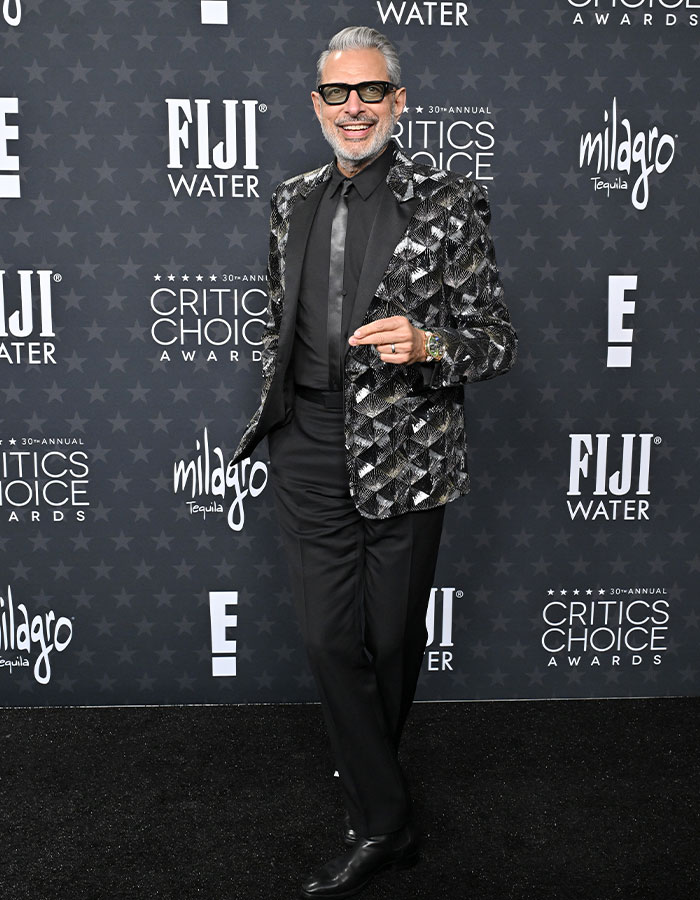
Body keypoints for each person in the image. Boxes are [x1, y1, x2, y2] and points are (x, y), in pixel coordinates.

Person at [232, 25, 517, 899]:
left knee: (391, 641)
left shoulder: (451, 200)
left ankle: (371, 793)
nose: (352, 108)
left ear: (398, 101)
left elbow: (495, 343)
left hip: (408, 450)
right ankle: (388, 823)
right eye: (335, 94)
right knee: (328, 637)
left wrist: (429, 340)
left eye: (369, 92)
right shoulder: (289, 201)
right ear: (316, 105)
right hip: (309, 442)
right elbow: (283, 319)